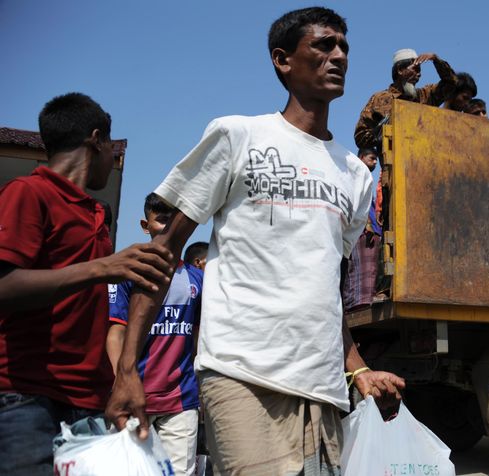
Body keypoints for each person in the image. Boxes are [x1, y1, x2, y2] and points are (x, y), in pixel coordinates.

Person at [106, 7, 405, 476]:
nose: (339, 55)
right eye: (324, 45)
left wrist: (358, 368)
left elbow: (328, 291)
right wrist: (128, 370)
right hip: (240, 373)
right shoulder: (238, 136)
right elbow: (162, 255)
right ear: (282, 60)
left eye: (344, 47)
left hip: (322, 388)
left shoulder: (354, 175)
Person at [0, 92, 173, 475]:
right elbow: (4, 288)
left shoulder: (95, 211)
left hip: (89, 402)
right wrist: (104, 268)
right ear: (96, 140)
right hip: (26, 399)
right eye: (111, 145)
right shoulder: (28, 194)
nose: (114, 156)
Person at [106, 193, 203, 476]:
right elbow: (116, 332)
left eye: (174, 220)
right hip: (132, 398)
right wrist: (119, 381)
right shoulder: (128, 272)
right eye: (161, 220)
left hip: (182, 402)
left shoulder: (198, 279)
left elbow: (197, 337)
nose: (168, 227)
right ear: (144, 225)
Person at [354, 48, 458, 151]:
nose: (419, 74)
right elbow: (360, 138)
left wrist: (436, 60)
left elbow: (452, 83)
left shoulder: (424, 96)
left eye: (420, 70)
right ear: (400, 70)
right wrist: (387, 130)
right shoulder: (379, 99)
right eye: (415, 69)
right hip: (393, 165)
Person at [342, 148, 382, 312]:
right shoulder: (354, 174)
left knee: (370, 268)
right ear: (361, 158)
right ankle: (358, 302)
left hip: (370, 229)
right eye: (372, 158)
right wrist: (367, 225)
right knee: (360, 267)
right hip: (363, 231)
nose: (375, 162)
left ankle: (364, 300)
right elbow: (354, 201)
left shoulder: (365, 177)